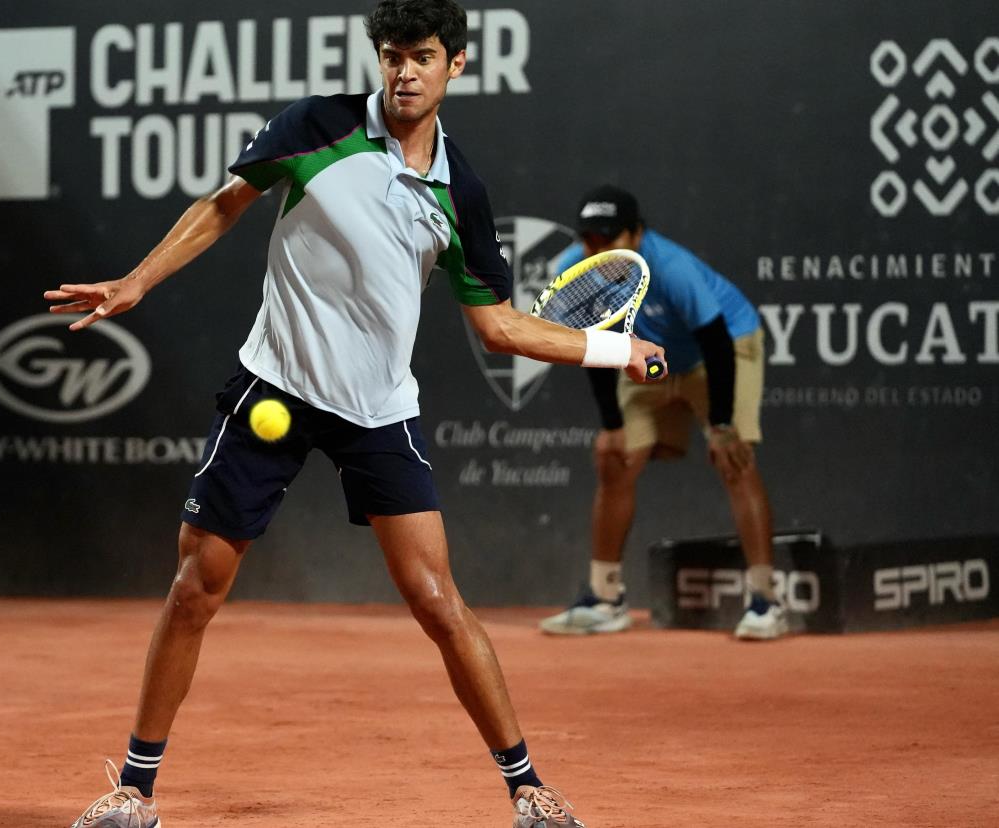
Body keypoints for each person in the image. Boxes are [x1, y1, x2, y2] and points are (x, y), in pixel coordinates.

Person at [45, 3, 663, 826]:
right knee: (196, 587)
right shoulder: (315, 126)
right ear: (378, 60)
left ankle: (528, 791)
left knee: (437, 600)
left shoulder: (460, 191)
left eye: (424, 57)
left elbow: (497, 326)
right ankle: (133, 789)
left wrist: (613, 352)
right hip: (273, 385)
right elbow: (227, 201)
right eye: (393, 55)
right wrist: (139, 280)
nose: (405, 71)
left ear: (457, 67)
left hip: (377, 411)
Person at [538, 185, 786, 641]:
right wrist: (612, 426)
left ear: (636, 234)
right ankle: (605, 598)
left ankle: (765, 600)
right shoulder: (576, 268)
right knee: (613, 460)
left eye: (608, 238)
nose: (596, 249)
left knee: (735, 460)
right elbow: (589, 343)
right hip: (653, 356)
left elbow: (714, 340)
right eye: (589, 239)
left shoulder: (671, 268)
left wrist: (724, 424)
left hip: (723, 347)